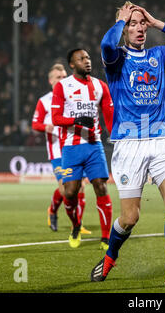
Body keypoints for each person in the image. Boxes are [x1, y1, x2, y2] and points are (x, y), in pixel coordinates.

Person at [90, 2, 165, 288]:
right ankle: (111, 254)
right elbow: (105, 44)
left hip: (161, 139)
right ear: (123, 29)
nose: (139, 28)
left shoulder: (158, 55)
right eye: (132, 24)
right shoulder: (115, 59)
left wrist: (158, 22)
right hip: (129, 145)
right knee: (130, 217)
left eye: (141, 24)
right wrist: (119, 21)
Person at [51, 49, 114, 250]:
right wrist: (76, 120)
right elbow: (56, 119)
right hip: (71, 148)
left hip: (94, 146)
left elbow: (109, 115)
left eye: (88, 57)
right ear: (72, 64)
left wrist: (117, 137)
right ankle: (76, 225)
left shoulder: (100, 86)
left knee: (101, 186)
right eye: (81, 59)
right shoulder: (62, 87)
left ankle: (106, 237)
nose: (87, 61)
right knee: (70, 193)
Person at [31, 64, 91, 236]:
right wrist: (46, 127)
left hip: (75, 146)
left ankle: (77, 225)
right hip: (57, 151)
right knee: (66, 189)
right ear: (51, 81)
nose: (62, 79)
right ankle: (52, 210)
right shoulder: (44, 101)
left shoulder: (73, 98)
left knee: (80, 187)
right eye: (58, 77)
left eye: (64, 76)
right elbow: (35, 124)